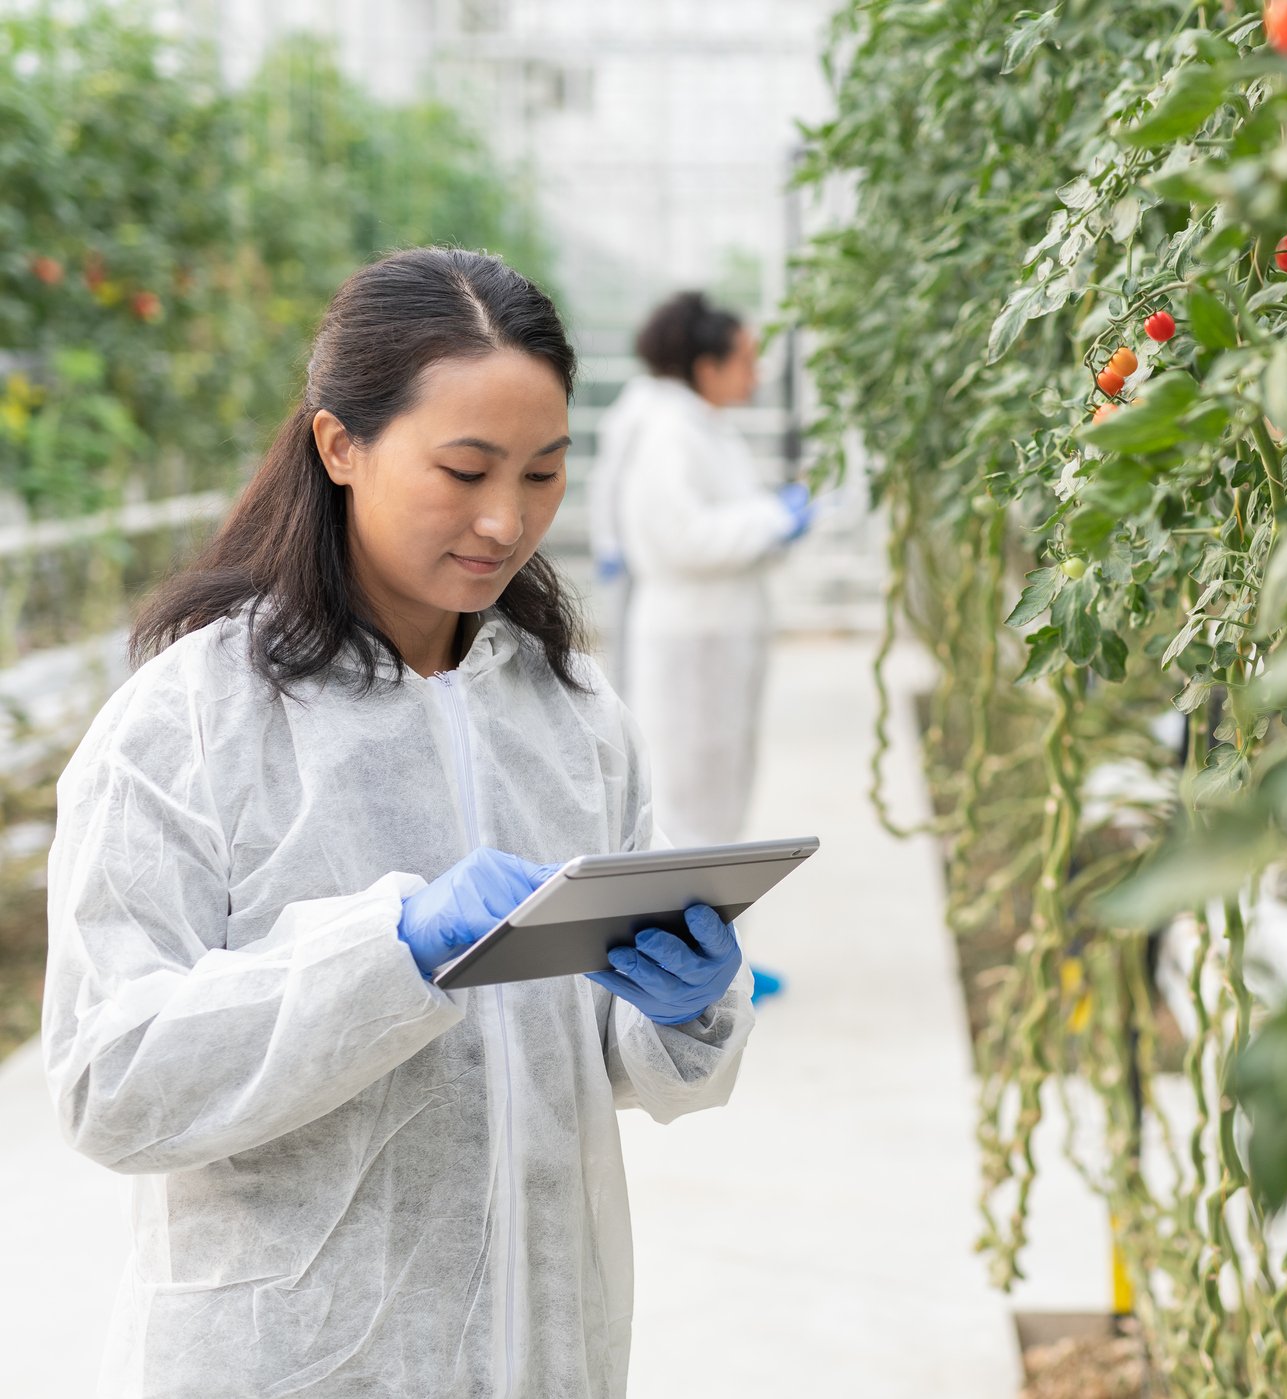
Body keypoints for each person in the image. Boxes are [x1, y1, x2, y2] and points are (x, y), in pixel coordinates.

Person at [41, 248, 754, 1398]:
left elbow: (582, 1059)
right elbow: (107, 1078)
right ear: (339, 446)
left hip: (546, 1344)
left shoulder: (570, 715)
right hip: (287, 1357)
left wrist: (679, 1004)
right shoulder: (191, 722)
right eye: (464, 468)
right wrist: (390, 952)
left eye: (543, 472)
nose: (503, 519)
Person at [589, 293, 810, 998]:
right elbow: (680, 538)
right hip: (691, 638)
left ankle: (718, 951)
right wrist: (771, 519)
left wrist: (771, 521)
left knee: (718, 794)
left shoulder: (703, 425)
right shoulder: (669, 432)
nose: (755, 372)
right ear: (705, 364)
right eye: (743, 359)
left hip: (718, 633)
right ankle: (686, 965)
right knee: (685, 799)